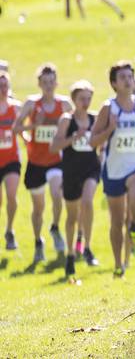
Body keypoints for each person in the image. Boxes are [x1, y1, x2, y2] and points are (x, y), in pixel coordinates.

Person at [90, 62, 135, 278]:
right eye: (123, 77)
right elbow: (92, 142)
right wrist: (110, 128)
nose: (128, 80)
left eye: (130, 76)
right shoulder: (108, 108)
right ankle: (119, 264)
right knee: (117, 222)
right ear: (114, 83)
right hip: (114, 170)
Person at [12, 64, 73, 263]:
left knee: (58, 195)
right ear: (39, 83)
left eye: (51, 81)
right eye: (44, 82)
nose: (48, 85)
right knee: (38, 208)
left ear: (57, 83)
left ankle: (55, 227)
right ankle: (38, 241)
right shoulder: (31, 104)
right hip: (36, 162)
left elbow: (75, 124)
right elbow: (16, 128)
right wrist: (31, 130)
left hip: (56, 161)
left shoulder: (63, 105)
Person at [50, 81, 101, 278]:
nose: (86, 103)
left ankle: (87, 247)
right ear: (74, 100)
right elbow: (54, 147)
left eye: (89, 98)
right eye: (82, 99)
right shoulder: (66, 120)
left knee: (87, 202)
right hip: (71, 172)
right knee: (71, 217)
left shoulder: (94, 118)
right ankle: (71, 254)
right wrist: (73, 137)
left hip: (90, 168)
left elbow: (100, 141)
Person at [0, 71, 21, 250]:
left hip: (12, 159)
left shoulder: (16, 108)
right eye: (0, 86)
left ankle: (9, 229)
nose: (3, 89)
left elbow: (25, 128)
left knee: (11, 195)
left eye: (5, 85)